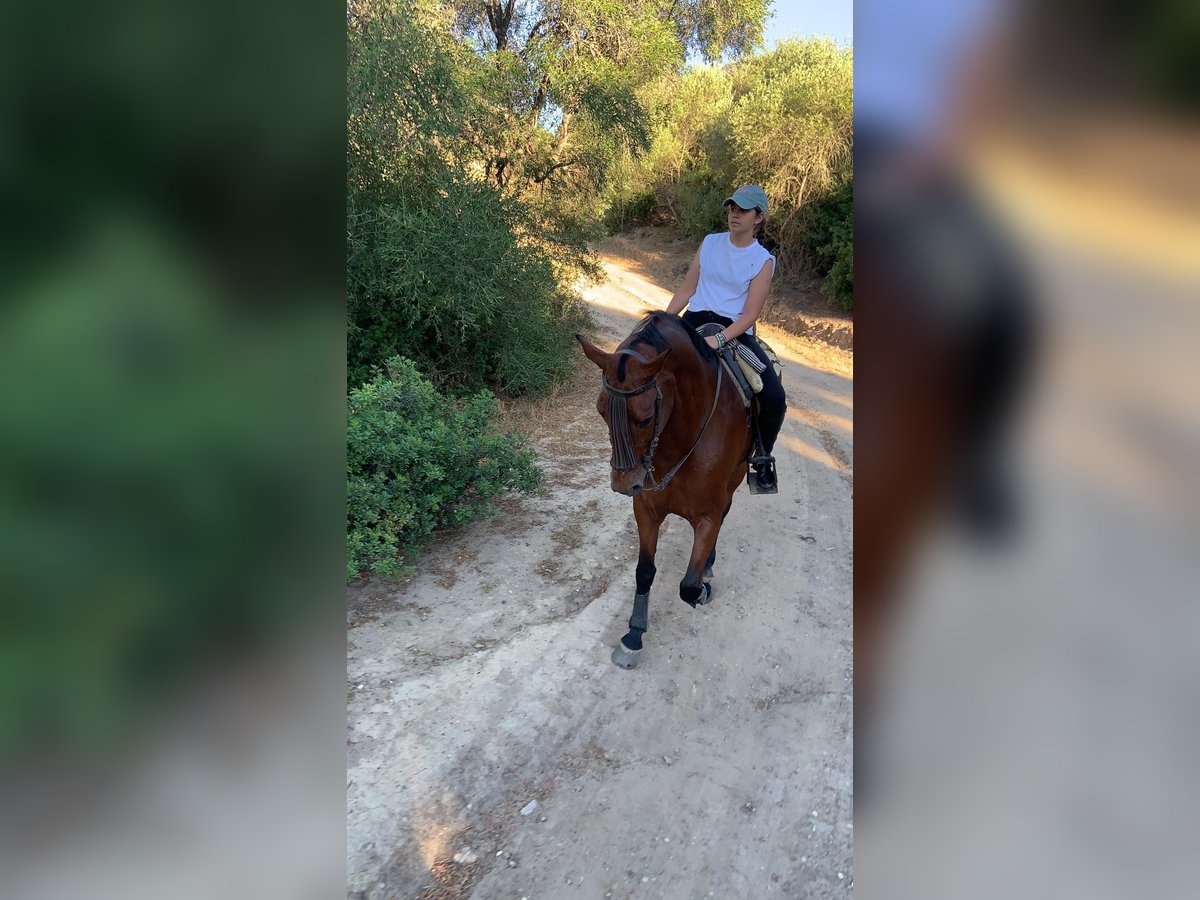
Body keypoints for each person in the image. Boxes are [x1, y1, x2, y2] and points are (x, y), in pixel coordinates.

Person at [665, 184, 786, 492]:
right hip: (694, 319)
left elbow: (749, 315)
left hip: (733, 331)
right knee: (646, 368)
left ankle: (761, 458)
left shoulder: (762, 260)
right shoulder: (710, 243)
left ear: (759, 217)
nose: (735, 214)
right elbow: (686, 290)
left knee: (773, 397)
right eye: (732, 208)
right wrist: (664, 322)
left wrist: (718, 341)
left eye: (743, 210)